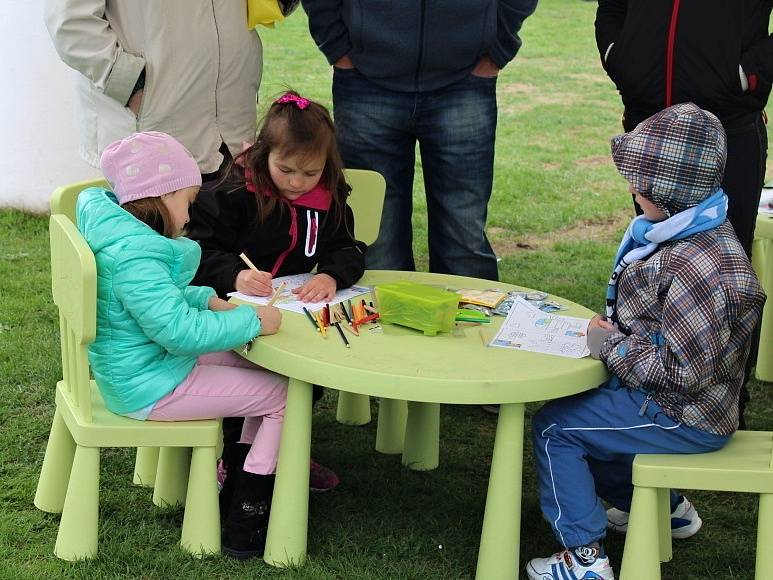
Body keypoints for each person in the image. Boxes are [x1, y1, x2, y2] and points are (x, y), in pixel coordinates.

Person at [526, 104, 766, 580]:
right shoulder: (694, 233)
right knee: (588, 423)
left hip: (684, 414)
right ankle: (666, 510)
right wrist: (620, 331)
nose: (633, 190)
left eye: (640, 183)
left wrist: (610, 345)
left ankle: (583, 559)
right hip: (687, 404)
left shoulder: (697, 266)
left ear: (669, 192)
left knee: (557, 429)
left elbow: (683, 370)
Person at [76, 131, 288, 561]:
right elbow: (179, 333)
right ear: (162, 195)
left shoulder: (122, 238)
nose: (191, 212)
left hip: (143, 367)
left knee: (256, 370)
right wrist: (250, 320)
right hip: (150, 383)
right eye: (188, 201)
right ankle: (248, 515)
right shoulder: (137, 257)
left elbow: (154, 305)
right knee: (282, 395)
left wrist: (207, 299)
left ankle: (232, 483)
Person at [594, 0, 772, 427]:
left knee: (723, 269)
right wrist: (619, 54)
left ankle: (724, 405)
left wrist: (747, 72)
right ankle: (645, 391)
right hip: (649, 119)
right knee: (655, 263)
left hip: (728, 125)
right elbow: (611, 7)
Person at [187, 91, 367, 492]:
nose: (297, 183)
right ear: (263, 154)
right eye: (285, 170)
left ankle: (286, 444)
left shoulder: (329, 196)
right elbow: (196, 251)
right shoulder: (232, 193)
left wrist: (332, 276)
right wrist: (235, 275)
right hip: (227, 309)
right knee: (244, 378)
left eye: (310, 173)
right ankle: (234, 453)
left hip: (294, 315)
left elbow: (349, 248)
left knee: (308, 373)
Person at [301, 0, 538, 281]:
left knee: (464, 243)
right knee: (377, 244)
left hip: (465, 82)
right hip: (365, 82)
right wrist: (338, 47)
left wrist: (497, 49)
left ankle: (474, 326)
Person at [44, 0, 262, 177]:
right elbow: (71, 22)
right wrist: (133, 87)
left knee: (236, 225)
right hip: (151, 129)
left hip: (233, 128)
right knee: (159, 229)